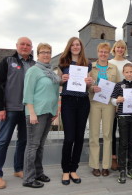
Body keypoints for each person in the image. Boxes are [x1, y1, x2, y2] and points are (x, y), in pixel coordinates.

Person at [0, 37, 35, 189]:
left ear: (31, 48)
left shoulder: (33, 64)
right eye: (22, 44)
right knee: (3, 141)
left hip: (27, 110)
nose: (25, 46)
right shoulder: (8, 61)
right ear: (17, 46)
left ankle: (18, 169)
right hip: (9, 109)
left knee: (23, 141)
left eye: (28, 45)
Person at [22, 43, 60, 188]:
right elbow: (27, 94)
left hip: (48, 112)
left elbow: (55, 93)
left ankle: (38, 172)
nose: (46, 55)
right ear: (38, 54)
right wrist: (31, 112)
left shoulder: (51, 72)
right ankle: (28, 178)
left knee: (40, 146)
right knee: (32, 146)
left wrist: (55, 110)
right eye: (43, 52)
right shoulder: (34, 71)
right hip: (36, 114)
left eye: (48, 52)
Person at [58, 37, 93, 185]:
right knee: (69, 138)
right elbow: (58, 82)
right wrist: (62, 80)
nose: (75, 46)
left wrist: (89, 83)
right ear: (69, 47)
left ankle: (74, 169)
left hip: (83, 102)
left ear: (81, 47)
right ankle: (65, 170)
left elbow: (89, 87)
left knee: (79, 138)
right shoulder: (62, 62)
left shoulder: (87, 64)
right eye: (73, 45)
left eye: (78, 44)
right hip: (68, 101)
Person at [88, 42, 120, 177]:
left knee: (107, 135)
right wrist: (91, 88)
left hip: (109, 104)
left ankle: (106, 166)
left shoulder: (114, 68)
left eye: (105, 52)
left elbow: (118, 86)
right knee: (94, 135)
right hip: (94, 102)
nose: (103, 54)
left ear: (109, 54)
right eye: (101, 51)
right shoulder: (91, 67)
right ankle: (95, 165)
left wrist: (117, 102)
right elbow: (86, 85)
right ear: (98, 52)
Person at [111, 63, 132, 184]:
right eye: (127, 72)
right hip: (123, 117)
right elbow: (112, 99)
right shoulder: (119, 85)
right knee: (123, 143)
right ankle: (122, 169)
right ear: (123, 73)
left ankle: (131, 168)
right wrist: (117, 100)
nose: (129, 74)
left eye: (131, 71)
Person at [108, 40, 131, 170]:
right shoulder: (110, 63)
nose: (120, 49)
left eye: (122, 48)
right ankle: (113, 158)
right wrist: (115, 100)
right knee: (112, 131)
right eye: (118, 47)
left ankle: (125, 158)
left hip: (127, 102)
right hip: (112, 100)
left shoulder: (128, 64)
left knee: (124, 132)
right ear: (114, 48)